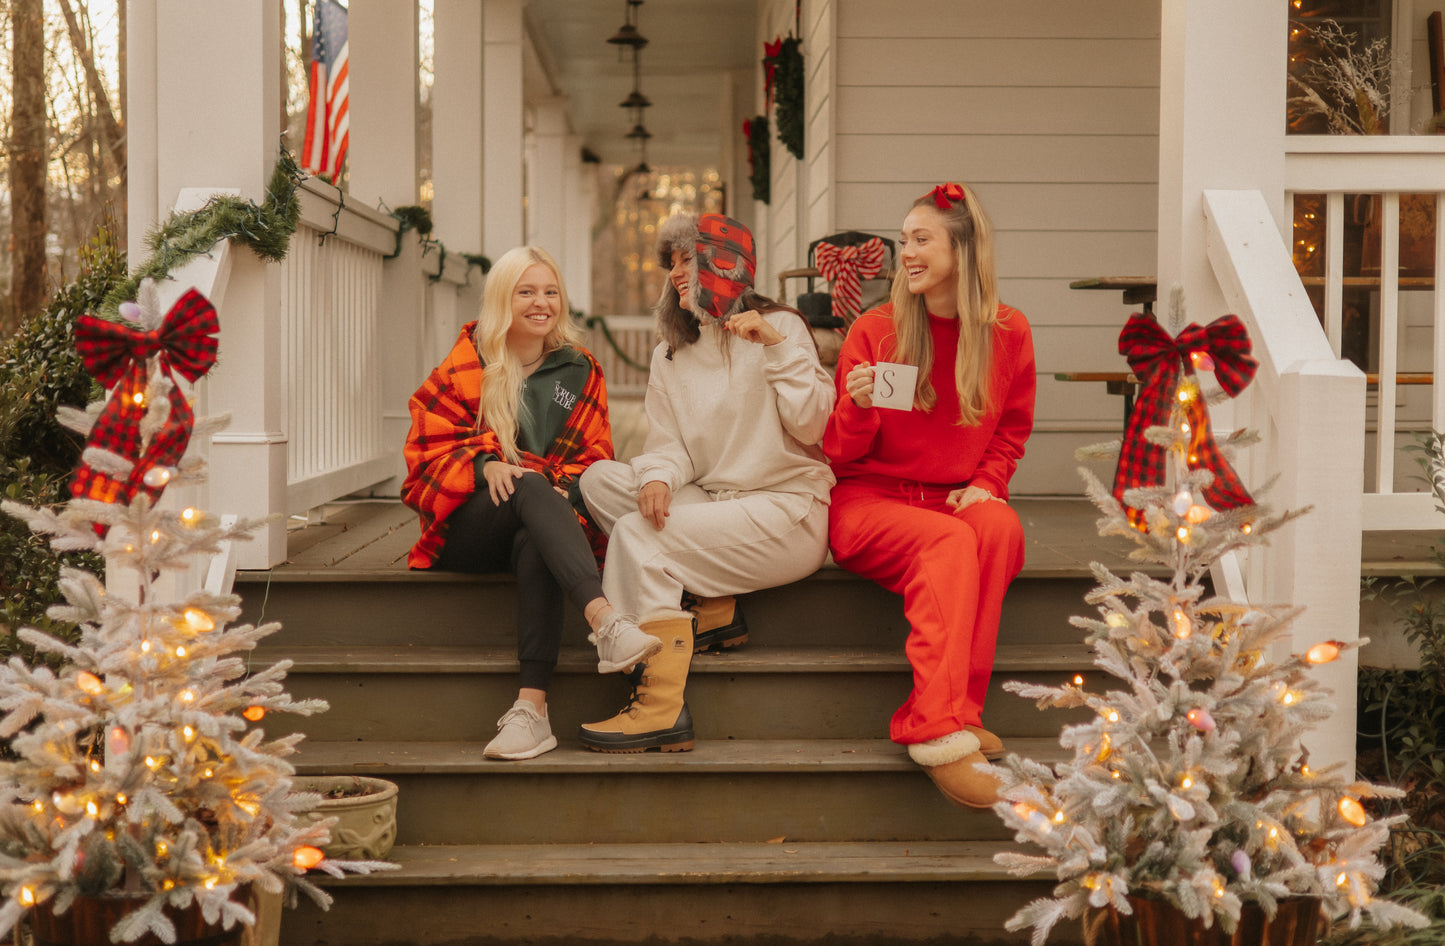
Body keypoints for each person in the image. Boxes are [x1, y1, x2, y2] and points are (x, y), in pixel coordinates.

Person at [577, 213, 836, 752]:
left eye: (688, 260)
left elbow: (815, 426)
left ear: (727, 263)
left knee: (635, 535)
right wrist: (656, 477)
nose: (676, 275)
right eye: (670, 264)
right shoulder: (672, 349)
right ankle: (713, 607)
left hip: (784, 511)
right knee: (601, 481)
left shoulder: (781, 328)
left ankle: (657, 707)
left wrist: (774, 348)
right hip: (714, 499)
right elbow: (669, 443)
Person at [401, 246, 662, 761]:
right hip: (469, 527)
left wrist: (534, 481)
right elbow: (423, 457)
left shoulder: (579, 370)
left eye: (549, 291)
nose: (540, 303)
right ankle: (606, 621)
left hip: (542, 527)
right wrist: (483, 464)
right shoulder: (465, 363)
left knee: (537, 523)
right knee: (531, 488)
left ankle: (532, 710)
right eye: (526, 292)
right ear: (504, 298)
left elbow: (594, 458)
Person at [823, 182, 1036, 808]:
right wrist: (857, 408)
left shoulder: (1008, 333)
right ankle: (933, 730)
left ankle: (960, 711)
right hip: (870, 501)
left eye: (921, 240)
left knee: (1000, 530)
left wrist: (986, 485)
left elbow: (1010, 430)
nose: (906, 253)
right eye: (903, 241)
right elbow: (840, 453)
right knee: (947, 541)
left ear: (963, 250)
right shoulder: (878, 330)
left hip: (950, 496)